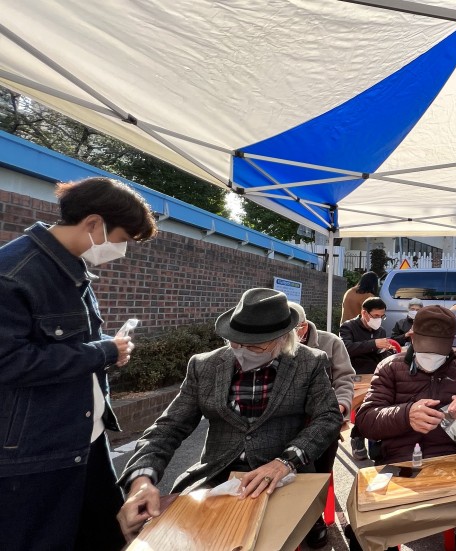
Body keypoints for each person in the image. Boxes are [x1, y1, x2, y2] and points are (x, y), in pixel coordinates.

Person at [0, 176, 156, 551]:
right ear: (93, 223)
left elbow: (66, 347)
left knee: (105, 538)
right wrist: (102, 352)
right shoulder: (13, 273)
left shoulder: (71, 269)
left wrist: (107, 349)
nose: (121, 251)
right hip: (37, 452)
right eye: (121, 239)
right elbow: (9, 361)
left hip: (86, 437)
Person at [116, 288, 343, 545]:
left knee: (264, 541)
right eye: (237, 342)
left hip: (284, 477)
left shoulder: (309, 363)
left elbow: (328, 416)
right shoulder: (204, 366)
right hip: (216, 476)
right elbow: (168, 427)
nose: (243, 350)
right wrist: (142, 479)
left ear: (283, 338)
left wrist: (284, 462)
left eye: (255, 345)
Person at [355, 306, 456, 551]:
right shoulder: (390, 367)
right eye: (426, 349)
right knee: (364, 521)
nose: (432, 357)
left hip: (450, 465)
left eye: (439, 350)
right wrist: (405, 414)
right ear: (412, 338)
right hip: (398, 465)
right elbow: (365, 421)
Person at [289, 302, 356, 544]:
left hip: (323, 420)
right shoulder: (274, 343)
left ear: (303, 326)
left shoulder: (330, 343)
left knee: (319, 471)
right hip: (287, 421)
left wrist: (340, 405)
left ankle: (315, 517)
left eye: (293, 330)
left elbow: (345, 378)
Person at [340, 296, 396, 459]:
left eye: (382, 316)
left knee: (377, 405)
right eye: (376, 316)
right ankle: (357, 437)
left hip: (374, 374)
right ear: (364, 313)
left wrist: (387, 351)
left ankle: (370, 439)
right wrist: (374, 344)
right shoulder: (348, 327)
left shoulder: (381, 331)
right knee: (362, 405)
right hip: (354, 374)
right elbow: (346, 348)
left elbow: (380, 354)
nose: (379, 320)